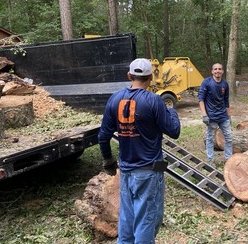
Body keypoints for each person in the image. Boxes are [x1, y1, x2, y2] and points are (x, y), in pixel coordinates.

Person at [98, 58, 181, 244]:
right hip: (149, 170)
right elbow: (174, 131)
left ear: (129, 76)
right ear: (151, 77)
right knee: (147, 220)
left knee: (127, 218)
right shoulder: (154, 101)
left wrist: (108, 161)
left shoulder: (115, 99)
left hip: (126, 169)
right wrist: (172, 112)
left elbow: (103, 136)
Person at [199, 63, 232, 167]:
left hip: (223, 116)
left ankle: (228, 160)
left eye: (219, 69)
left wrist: (229, 115)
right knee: (210, 139)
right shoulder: (206, 82)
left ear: (222, 71)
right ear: (212, 71)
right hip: (211, 117)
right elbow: (201, 99)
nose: (217, 71)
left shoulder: (225, 84)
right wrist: (204, 115)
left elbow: (226, 101)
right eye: (215, 69)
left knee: (229, 138)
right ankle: (210, 160)